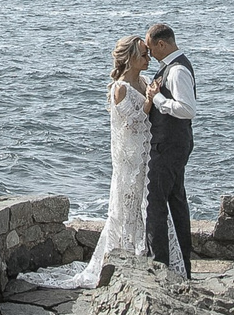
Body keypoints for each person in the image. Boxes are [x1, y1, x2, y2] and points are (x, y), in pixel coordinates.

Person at [29, 34, 184, 287]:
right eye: (143, 55)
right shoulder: (119, 88)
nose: (148, 58)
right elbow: (132, 123)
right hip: (129, 158)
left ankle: (149, 257)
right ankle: (124, 257)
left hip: (147, 153)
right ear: (131, 58)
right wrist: (148, 101)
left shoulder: (145, 81)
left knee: (149, 207)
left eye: (147, 54)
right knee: (127, 207)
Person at [143, 22, 196, 278]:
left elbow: (187, 109)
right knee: (175, 202)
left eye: (151, 48)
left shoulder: (176, 72)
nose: (149, 54)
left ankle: (160, 264)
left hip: (170, 144)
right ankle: (182, 266)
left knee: (156, 203)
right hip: (173, 143)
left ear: (161, 44)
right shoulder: (171, 68)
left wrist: (159, 100)